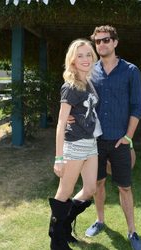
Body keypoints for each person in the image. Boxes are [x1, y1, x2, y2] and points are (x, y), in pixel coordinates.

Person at [85, 25, 141, 250]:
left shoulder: (131, 71)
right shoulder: (91, 71)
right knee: (97, 183)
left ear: (115, 42)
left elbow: (137, 107)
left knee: (125, 187)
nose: (102, 44)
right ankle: (100, 221)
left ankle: (132, 232)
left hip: (120, 140)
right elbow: (82, 100)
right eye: (98, 41)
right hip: (95, 141)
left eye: (106, 40)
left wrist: (128, 137)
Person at [48, 38, 102, 250]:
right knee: (64, 193)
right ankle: (56, 239)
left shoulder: (88, 82)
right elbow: (61, 123)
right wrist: (59, 157)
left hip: (91, 144)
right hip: (74, 145)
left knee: (89, 189)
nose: (85, 58)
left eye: (88, 54)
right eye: (80, 55)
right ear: (72, 60)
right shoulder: (70, 86)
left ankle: (63, 227)